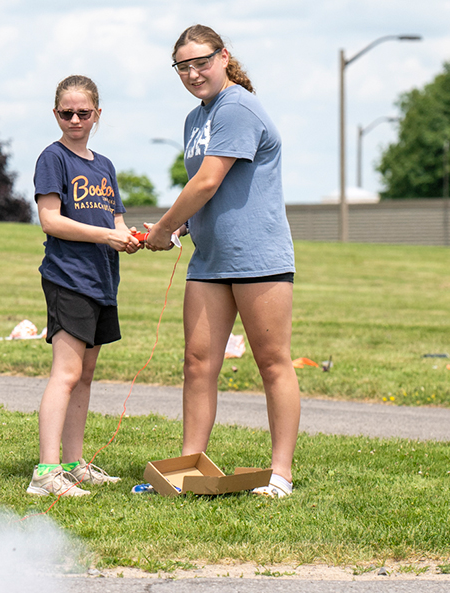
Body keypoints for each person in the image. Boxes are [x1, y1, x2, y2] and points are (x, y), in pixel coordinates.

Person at [144, 25, 300, 498]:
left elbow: (208, 181)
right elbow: (212, 192)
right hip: (210, 260)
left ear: (224, 56)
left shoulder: (236, 107)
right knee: (197, 362)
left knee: (271, 362)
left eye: (201, 62)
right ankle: (190, 469)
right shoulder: (196, 118)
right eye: (183, 67)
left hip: (258, 258)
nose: (193, 73)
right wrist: (187, 224)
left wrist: (163, 228)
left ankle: (280, 476)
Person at [28, 75, 141, 497]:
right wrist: (105, 237)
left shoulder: (104, 166)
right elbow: (50, 220)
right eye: (66, 113)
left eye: (83, 112)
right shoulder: (52, 158)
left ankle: (74, 465)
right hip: (68, 278)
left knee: (86, 375)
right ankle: (45, 471)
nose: (75, 119)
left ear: (97, 114)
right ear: (55, 113)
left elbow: (114, 221)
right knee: (67, 372)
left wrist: (129, 238)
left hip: (102, 280)